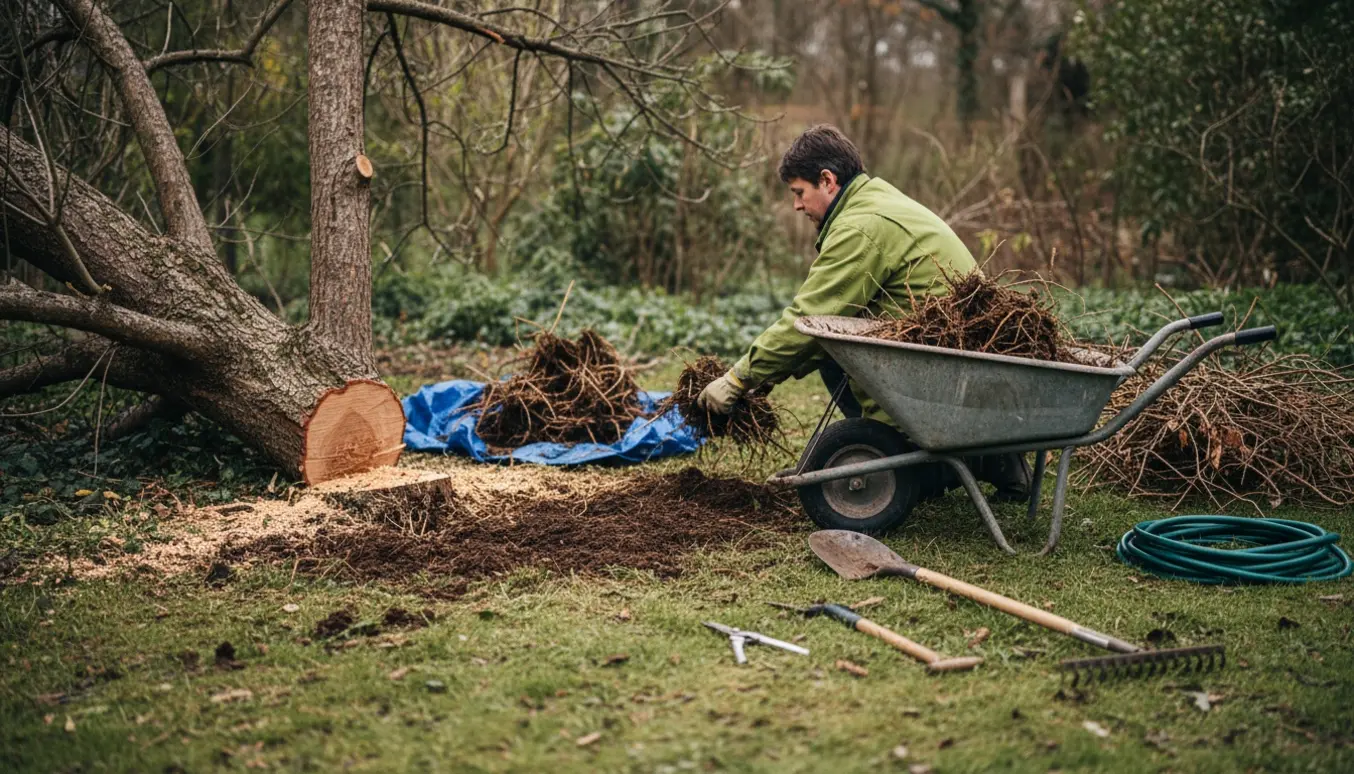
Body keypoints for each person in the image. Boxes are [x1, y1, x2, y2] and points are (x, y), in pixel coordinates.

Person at [695, 124, 1031, 501]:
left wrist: (739, 378)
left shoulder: (861, 227)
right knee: (830, 350)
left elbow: (809, 316)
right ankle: (982, 458)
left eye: (799, 193)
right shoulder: (875, 200)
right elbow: (823, 325)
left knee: (833, 348)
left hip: (947, 370)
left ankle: (903, 459)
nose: (796, 206)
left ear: (827, 180)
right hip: (955, 359)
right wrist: (773, 373)